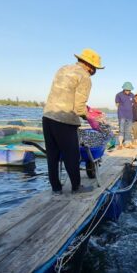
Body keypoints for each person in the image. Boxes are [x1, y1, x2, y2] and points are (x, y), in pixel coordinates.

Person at [42, 48, 104, 195]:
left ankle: (56, 188)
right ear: (90, 66)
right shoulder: (85, 77)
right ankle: (76, 187)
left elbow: (65, 94)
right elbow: (78, 107)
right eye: (95, 68)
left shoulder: (63, 68)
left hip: (48, 116)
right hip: (65, 119)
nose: (94, 71)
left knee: (52, 155)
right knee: (72, 155)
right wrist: (89, 116)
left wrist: (84, 110)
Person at [115, 82, 134, 149]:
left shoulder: (132, 95)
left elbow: (132, 104)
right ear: (124, 88)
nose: (128, 91)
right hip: (122, 115)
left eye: (129, 90)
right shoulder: (119, 95)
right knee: (121, 129)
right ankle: (120, 144)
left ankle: (127, 143)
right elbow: (117, 104)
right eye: (127, 90)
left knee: (128, 130)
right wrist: (122, 110)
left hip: (130, 116)